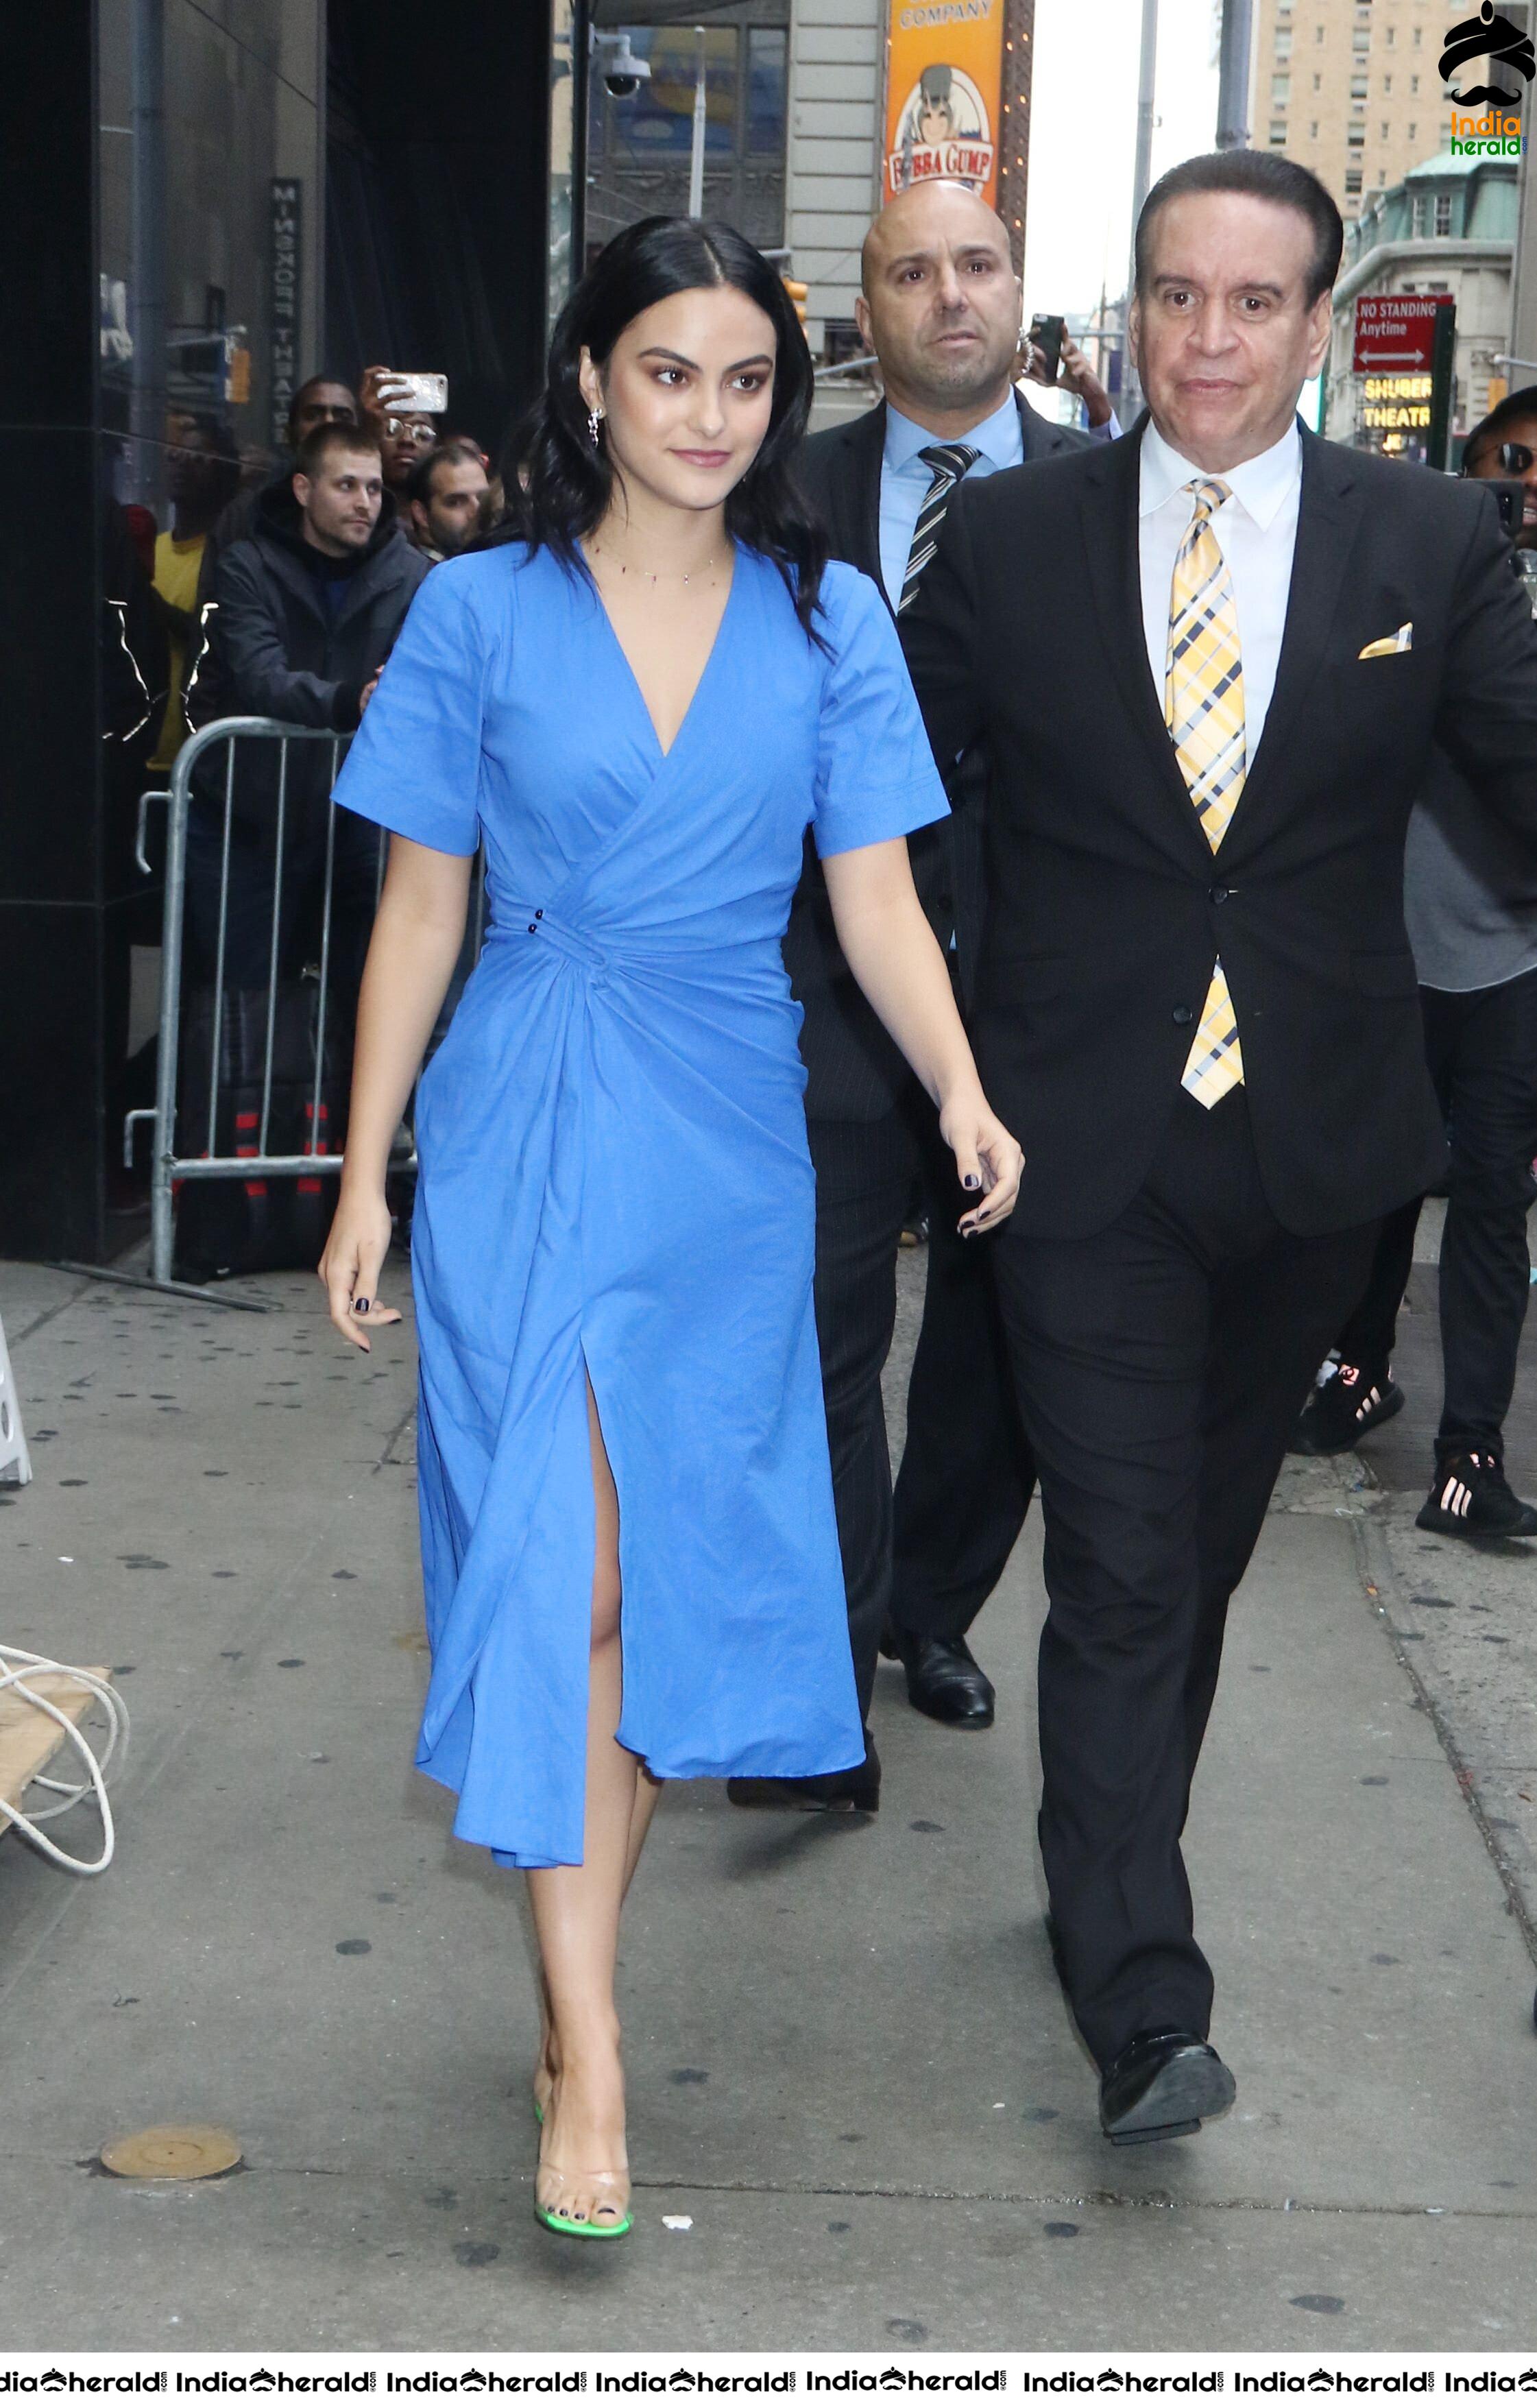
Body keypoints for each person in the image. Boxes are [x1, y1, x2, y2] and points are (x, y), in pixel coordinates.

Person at [317, 216, 1022, 2241]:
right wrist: (364, 1173)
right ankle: (595, 2049)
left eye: (745, 379)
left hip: (726, 1132)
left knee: (628, 1609)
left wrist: (964, 1092)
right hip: (528, 1109)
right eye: (667, 372)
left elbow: (877, 899)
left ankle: (570, 1999)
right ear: (590, 384)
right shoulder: (474, 613)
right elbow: (420, 909)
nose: (709, 415)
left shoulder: (832, 623)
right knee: (561, 1563)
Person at [900, 148, 1537, 2146]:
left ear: (1319, 327)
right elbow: (892, 817)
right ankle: (1142, 1991)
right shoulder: (1008, 544)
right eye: (1177, 294)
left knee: (1200, 1552)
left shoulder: (1429, 545)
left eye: (1254, 303)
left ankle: (1105, 1858)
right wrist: (939, 1057)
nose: (1208, 339)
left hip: (1309, 1157)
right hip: (1074, 1143)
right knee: (1122, 1567)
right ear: (1137, 301)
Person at [731, 184, 1089, 1811]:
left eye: (977, 264)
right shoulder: (775, 488)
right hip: (819, 984)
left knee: (996, 1348)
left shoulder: (1106, 493)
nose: (949, 295)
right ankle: (831, 1659)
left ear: (1019, 288)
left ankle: (929, 1609)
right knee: (817, 1336)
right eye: (910, 272)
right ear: (860, 313)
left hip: (1043, 988)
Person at [1291, 387, 1537, 1537]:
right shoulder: (1425, 574)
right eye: (1512, 463)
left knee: (1490, 1202)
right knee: (1375, 1186)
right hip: (1390, 946)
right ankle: (1356, 1366)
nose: (1525, 489)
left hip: (1512, 962)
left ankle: (1468, 1454)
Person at [195, 376, 359, 611]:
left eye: (342, 416)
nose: (328, 424)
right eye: (314, 415)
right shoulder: (246, 513)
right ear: (290, 433)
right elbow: (210, 610)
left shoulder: (377, 515)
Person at [146, 413, 241, 773]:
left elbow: (212, 636)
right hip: (144, 753)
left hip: (196, 759)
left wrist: (153, 607)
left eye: (197, 456)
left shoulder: (229, 557)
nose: (182, 464)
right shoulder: (151, 551)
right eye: (174, 456)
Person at [405, 440, 491, 560]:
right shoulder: (409, 576)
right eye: (456, 502)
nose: (477, 512)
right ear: (422, 514)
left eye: (483, 498)